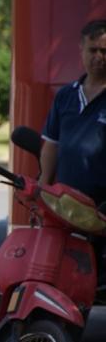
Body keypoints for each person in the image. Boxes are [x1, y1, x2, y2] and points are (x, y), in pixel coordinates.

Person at [40, 19, 106, 207]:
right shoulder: (65, 96)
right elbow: (52, 145)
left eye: (104, 51)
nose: (99, 57)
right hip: (66, 205)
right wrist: (43, 185)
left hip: (102, 209)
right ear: (81, 51)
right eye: (93, 50)